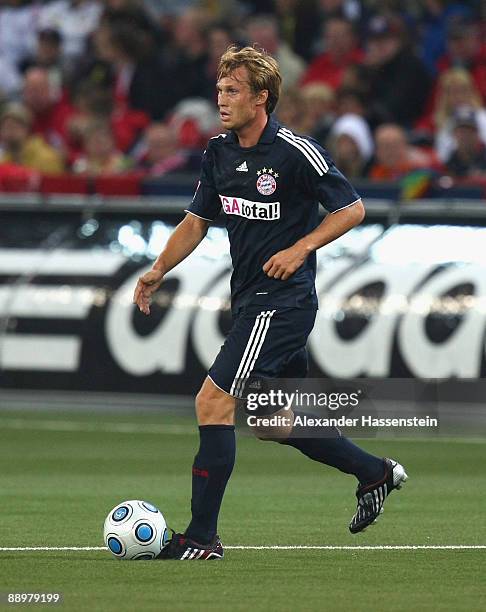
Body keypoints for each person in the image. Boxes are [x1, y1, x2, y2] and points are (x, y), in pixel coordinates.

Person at [133, 45, 408, 560]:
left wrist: (301, 247)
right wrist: (157, 269)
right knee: (274, 419)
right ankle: (375, 472)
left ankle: (200, 539)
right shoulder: (218, 151)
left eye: (232, 90)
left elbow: (352, 209)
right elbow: (197, 222)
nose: (221, 98)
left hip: (282, 303)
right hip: (250, 300)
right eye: (219, 89)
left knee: (212, 401)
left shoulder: (294, 152)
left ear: (262, 98)